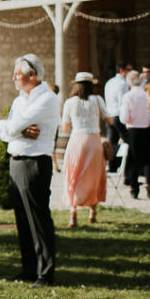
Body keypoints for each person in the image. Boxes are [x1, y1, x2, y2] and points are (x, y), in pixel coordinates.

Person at [0, 53, 61, 287]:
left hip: (34, 161)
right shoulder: (20, 100)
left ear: (32, 76)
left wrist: (12, 127)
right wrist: (14, 129)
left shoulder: (47, 98)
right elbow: (3, 127)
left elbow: (11, 125)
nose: (14, 78)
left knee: (37, 217)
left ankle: (45, 271)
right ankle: (28, 268)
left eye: (18, 74)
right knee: (22, 218)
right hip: (16, 158)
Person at [59, 72, 111, 228]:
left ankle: (73, 212)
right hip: (94, 139)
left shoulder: (70, 102)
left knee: (73, 174)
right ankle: (92, 212)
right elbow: (109, 119)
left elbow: (65, 127)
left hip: (77, 139)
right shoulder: (98, 100)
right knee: (94, 175)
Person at [121, 70, 150, 199]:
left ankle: (134, 188)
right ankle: (149, 181)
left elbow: (124, 117)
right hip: (147, 129)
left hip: (133, 130)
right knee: (148, 158)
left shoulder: (128, 96)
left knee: (133, 160)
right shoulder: (145, 94)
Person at [104, 61, 131, 169]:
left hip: (109, 114)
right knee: (128, 140)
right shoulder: (122, 84)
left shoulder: (109, 82)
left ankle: (112, 166)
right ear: (122, 71)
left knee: (112, 142)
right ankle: (127, 166)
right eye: (129, 70)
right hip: (118, 115)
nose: (130, 72)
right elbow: (123, 102)